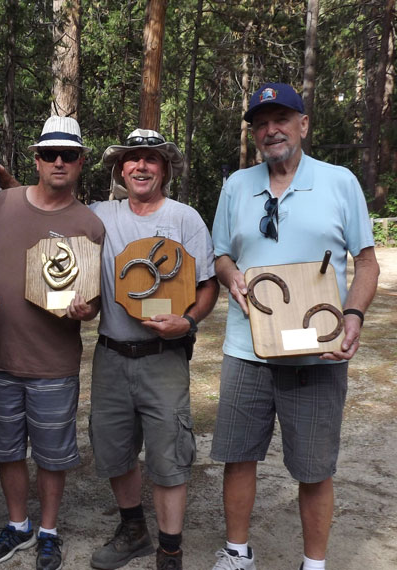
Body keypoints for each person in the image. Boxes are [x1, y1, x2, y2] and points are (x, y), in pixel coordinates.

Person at [209, 82, 380, 570]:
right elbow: (221, 253)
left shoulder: (339, 181)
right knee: (238, 456)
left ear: (303, 125)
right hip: (249, 348)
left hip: (317, 349)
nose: (270, 130)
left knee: (313, 466)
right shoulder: (236, 186)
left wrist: (353, 316)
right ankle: (238, 554)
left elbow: (366, 263)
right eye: (261, 123)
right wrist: (231, 275)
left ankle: (314, 563)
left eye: (281, 119)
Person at [87, 129, 219, 570]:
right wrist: (8, 186)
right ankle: (133, 529)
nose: (141, 166)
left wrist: (189, 320)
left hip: (164, 358)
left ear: (165, 168)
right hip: (110, 354)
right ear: (120, 169)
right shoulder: (98, 214)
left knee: (169, 454)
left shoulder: (185, 218)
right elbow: (44, 209)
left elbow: (207, 285)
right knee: (114, 450)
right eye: (132, 159)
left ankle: (170, 549)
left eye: (151, 159)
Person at [0, 116, 105, 570]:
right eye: (50, 153)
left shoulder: (89, 224)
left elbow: (90, 300)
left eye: (68, 155)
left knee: (53, 455)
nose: (58, 161)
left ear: (80, 162)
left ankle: (48, 530)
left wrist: (85, 311)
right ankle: (18, 525)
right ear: (35, 159)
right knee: (9, 450)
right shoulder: (3, 204)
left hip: (54, 360)